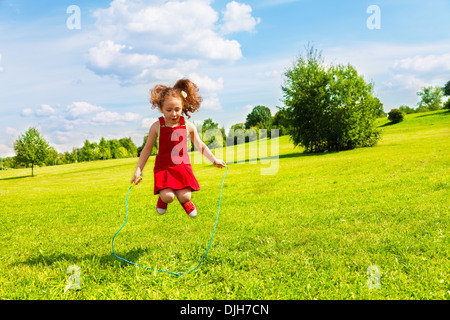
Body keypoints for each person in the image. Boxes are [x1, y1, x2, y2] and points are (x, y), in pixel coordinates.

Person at [131, 78, 227, 217]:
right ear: (161, 109)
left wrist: (214, 160)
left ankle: (185, 202)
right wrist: (138, 170)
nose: (174, 114)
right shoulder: (157, 126)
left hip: (182, 167)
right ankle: (162, 199)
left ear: (183, 107)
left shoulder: (188, 126)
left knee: (185, 196)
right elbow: (146, 150)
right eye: (169, 110)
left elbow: (200, 145)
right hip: (164, 168)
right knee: (168, 196)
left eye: (177, 109)